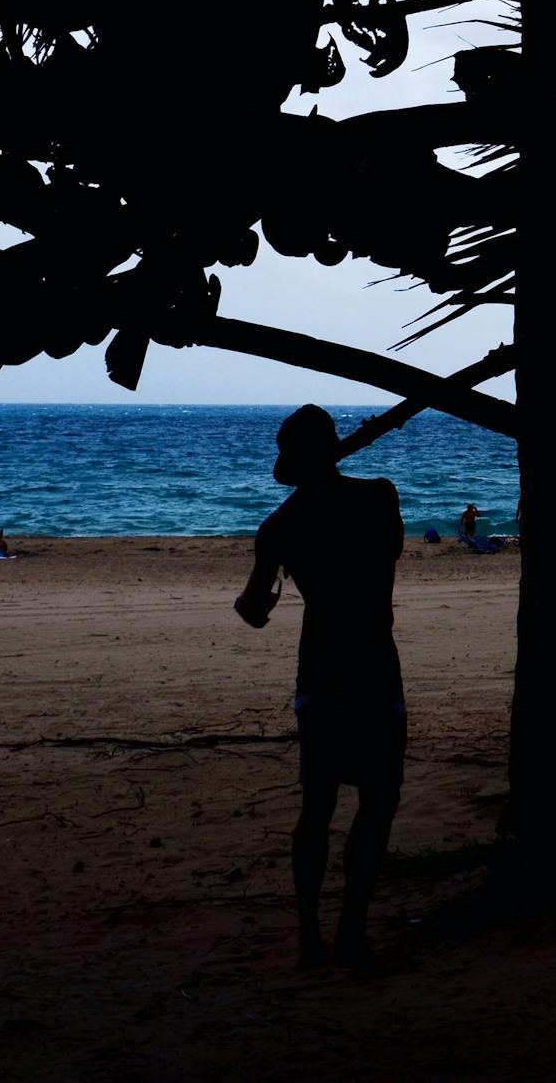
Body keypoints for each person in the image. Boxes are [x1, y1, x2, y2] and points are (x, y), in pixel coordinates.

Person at [234, 405, 405, 969]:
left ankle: (311, 937)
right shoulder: (380, 499)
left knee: (318, 802)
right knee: (377, 800)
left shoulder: (280, 527)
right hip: (375, 663)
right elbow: (387, 555)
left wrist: (274, 583)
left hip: (322, 668)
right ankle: (352, 931)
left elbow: (254, 611)